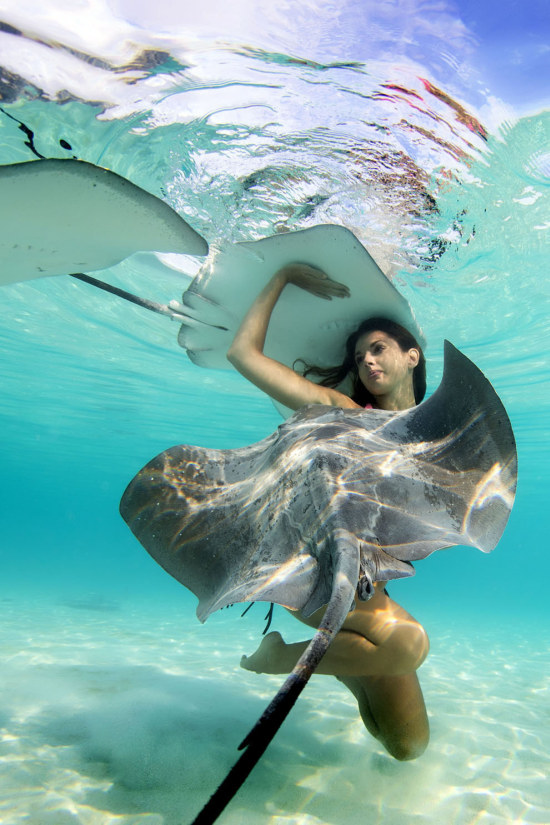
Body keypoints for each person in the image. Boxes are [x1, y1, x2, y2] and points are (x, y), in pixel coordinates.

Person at [227, 263, 430, 761]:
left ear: (413, 355)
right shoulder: (343, 409)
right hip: (317, 579)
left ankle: (343, 661)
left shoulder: (434, 434)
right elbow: (242, 354)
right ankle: (279, 659)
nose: (367, 362)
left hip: (369, 593)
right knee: (410, 644)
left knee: (407, 743)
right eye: (360, 356)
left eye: (378, 349)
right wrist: (282, 275)